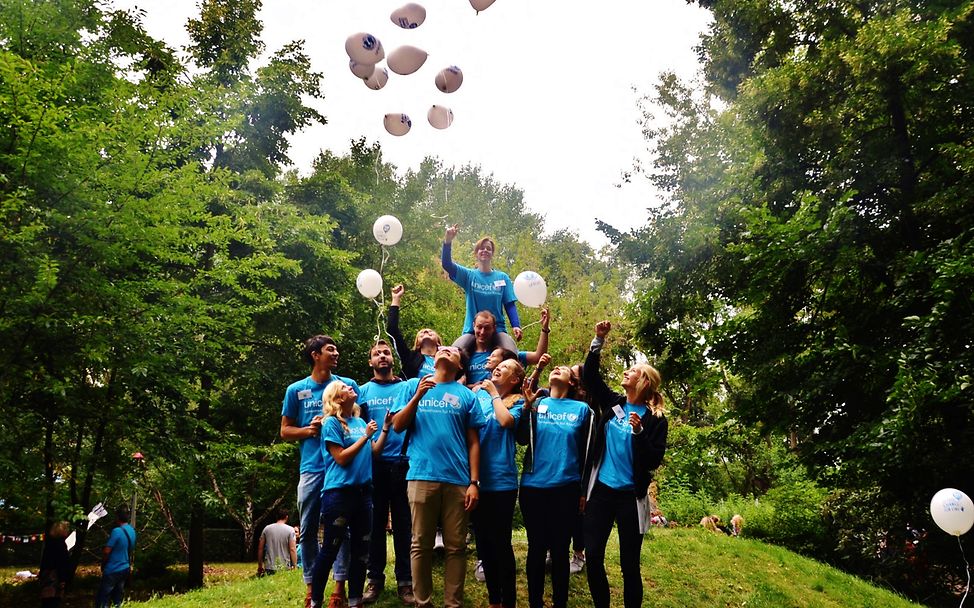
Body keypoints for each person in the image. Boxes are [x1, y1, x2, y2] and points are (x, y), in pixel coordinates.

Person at [581, 320, 668, 608]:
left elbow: (654, 459)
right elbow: (590, 378)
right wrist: (598, 341)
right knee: (592, 556)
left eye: (632, 371)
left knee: (630, 565)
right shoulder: (614, 402)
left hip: (631, 497)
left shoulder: (656, 420)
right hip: (602, 492)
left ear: (643, 382)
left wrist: (640, 434)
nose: (626, 372)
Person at [392, 345, 485, 608]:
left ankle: (452, 603)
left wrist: (474, 483)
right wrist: (417, 397)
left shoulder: (467, 396)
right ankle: (423, 602)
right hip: (421, 474)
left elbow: (474, 442)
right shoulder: (413, 386)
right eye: (443, 349)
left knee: (456, 546)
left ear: (460, 366)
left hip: (458, 480)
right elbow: (398, 425)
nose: (446, 350)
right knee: (420, 543)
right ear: (433, 361)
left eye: (453, 351)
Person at [281, 335, 360, 608]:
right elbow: (285, 430)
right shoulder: (296, 390)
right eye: (330, 349)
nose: (336, 353)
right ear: (315, 355)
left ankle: (339, 586)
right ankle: (312, 586)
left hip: (340, 469)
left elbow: (358, 422)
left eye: (337, 348)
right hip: (312, 468)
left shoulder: (346, 385)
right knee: (309, 528)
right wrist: (309, 430)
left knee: (342, 528)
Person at [516, 366, 592, 608]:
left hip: (566, 487)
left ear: (572, 382)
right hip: (532, 486)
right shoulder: (537, 404)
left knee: (560, 549)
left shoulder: (583, 410)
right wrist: (527, 408)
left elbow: (588, 454)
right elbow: (520, 439)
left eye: (565, 370)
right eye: (555, 367)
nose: (558, 368)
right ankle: (535, 603)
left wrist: (583, 491)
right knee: (536, 547)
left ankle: (560, 603)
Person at [309, 381, 382, 608]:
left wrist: (385, 429)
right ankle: (315, 600)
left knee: (362, 551)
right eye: (344, 387)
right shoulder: (331, 423)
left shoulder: (360, 422)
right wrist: (365, 436)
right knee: (330, 549)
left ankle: (355, 600)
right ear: (337, 398)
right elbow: (341, 457)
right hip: (339, 494)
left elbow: (373, 452)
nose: (351, 387)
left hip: (364, 495)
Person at [358, 340, 417, 605]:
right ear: (370, 362)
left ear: (393, 359)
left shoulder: (407, 387)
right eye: (376, 354)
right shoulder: (361, 391)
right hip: (374, 466)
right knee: (376, 524)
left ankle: (406, 582)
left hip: (404, 462)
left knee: (404, 526)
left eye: (386, 352)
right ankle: (375, 579)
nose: (382, 356)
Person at [470, 359, 526, 608]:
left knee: (501, 542)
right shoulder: (478, 398)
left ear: (514, 379)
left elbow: (505, 422)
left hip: (502, 481)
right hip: (476, 480)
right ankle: (495, 600)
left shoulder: (519, 401)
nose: (497, 369)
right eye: (496, 367)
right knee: (484, 543)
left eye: (504, 368)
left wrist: (493, 393)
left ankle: (509, 600)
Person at [441, 224, 521, 352]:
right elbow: (447, 264)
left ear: (492, 253)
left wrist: (516, 325)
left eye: (488, 249)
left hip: (498, 330)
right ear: (476, 253)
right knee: (453, 355)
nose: (485, 250)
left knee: (511, 354)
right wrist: (448, 241)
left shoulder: (502, 277)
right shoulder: (469, 275)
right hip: (472, 330)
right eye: (481, 248)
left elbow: (509, 304)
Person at [465, 308, 549, 388]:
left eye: (487, 328)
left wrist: (545, 329)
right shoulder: (466, 355)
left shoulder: (504, 356)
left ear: (494, 328)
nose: (482, 332)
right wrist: (472, 387)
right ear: (473, 326)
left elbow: (538, 357)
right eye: (479, 327)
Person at [387, 284, 443, 378]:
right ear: (417, 344)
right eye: (421, 333)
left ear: (438, 342)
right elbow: (392, 330)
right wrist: (396, 299)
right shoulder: (410, 357)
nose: (425, 331)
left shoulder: (446, 359)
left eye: (430, 331)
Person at [95, 507, 136, 608]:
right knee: (118, 597)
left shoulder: (116, 531)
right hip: (125, 567)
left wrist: (103, 564)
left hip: (113, 568)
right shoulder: (132, 530)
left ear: (117, 517)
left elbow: (107, 551)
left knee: (103, 598)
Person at [39, 521, 71, 608]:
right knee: (53, 600)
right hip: (54, 576)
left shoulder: (49, 543)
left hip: (46, 575)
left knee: (46, 600)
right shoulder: (60, 545)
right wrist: (63, 579)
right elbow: (61, 563)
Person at [257, 508, 297, 576]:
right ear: (286, 517)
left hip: (269, 566)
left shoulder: (266, 529)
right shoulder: (290, 530)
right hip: (284, 566)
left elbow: (260, 548)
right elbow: (292, 549)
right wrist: (294, 565)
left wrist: (260, 566)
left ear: (277, 517)